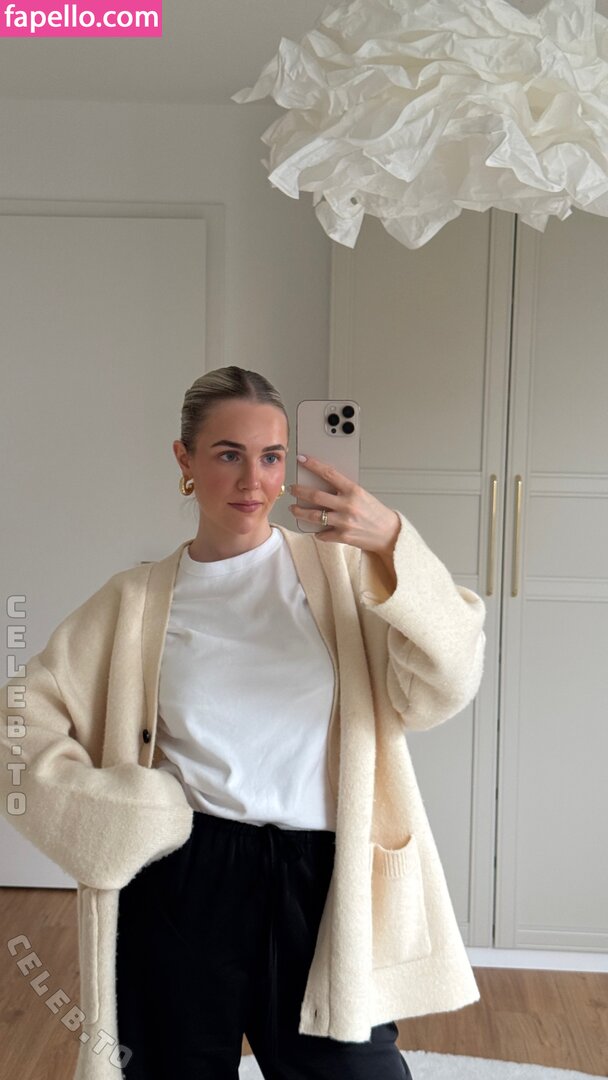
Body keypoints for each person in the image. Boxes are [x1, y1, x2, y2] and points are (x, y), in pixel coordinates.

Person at [0, 366, 486, 1080]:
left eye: (271, 456)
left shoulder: (344, 573)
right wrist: (109, 814)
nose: (253, 480)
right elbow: (20, 720)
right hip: (184, 878)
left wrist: (391, 544)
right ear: (185, 459)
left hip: (320, 881)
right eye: (228, 453)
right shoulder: (136, 599)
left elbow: (444, 684)